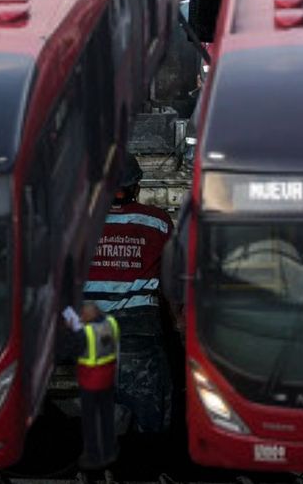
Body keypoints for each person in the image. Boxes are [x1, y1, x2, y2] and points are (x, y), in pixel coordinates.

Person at [84, 153, 175, 433]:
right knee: (151, 415)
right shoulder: (158, 222)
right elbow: (172, 282)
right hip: (139, 331)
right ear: (136, 186)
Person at [64, 301, 120, 470]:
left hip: (90, 382)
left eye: (83, 314)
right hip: (108, 378)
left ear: (89, 315)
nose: (81, 317)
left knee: (90, 422)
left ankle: (93, 456)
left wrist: (70, 330)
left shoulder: (84, 333)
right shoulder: (111, 322)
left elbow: (70, 351)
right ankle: (110, 451)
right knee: (106, 418)